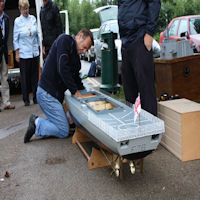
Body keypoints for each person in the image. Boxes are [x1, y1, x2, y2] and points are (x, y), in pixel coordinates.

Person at [24, 28, 93, 143]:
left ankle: (63, 120)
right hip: (46, 95)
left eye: (87, 49)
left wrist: (87, 96)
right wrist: (75, 92)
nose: (85, 51)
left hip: (54, 98)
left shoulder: (76, 59)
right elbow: (62, 68)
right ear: (79, 36)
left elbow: (76, 80)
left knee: (67, 123)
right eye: (84, 47)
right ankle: (36, 123)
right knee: (63, 131)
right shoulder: (64, 40)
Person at [118, 0, 161, 116]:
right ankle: (132, 127)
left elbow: (154, 3)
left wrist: (149, 33)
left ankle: (152, 131)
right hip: (126, 42)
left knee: (146, 88)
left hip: (140, 37)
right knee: (128, 89)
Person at [13, 0, 40, 106]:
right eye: (24, 9)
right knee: (25, 78)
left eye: (27, 8)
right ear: (20, 9)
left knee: (35, 77)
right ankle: (26, 99)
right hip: (24, 53)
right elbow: (15, 38)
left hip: (34, 52)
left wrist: (39, 47)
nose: (26, 11)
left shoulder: (33, 19)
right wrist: (17, 53)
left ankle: (35, 97)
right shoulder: (17, 21)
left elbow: (37, 35)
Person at [0, 0, 15, 111]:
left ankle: (6, 102)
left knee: (4, 78)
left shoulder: (6, 18)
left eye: (2, 1)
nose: (2, 3)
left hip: (4, 52)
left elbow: (6, 38)